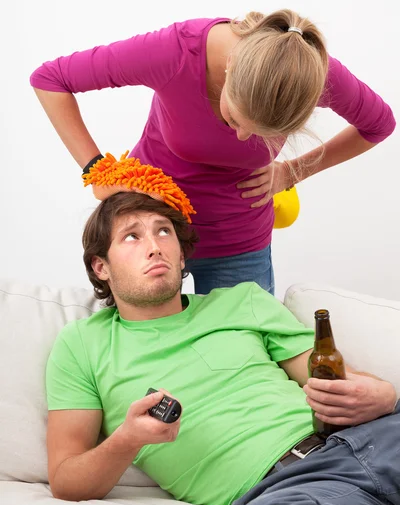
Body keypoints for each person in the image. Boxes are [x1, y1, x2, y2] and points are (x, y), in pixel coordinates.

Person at [46, 173, 400, 505]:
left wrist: (385, 394)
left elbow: (332, 379)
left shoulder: (241, 301)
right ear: (100, 267)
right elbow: (66, 480)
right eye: (132, 237)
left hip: (370, 440)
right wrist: (127, 440)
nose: (155, 245)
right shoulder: (81, 345)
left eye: (164, 231)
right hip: (294, 494)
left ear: (181, 257)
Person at [30, 9, 396, 295]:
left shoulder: (306, 73)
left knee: (240, 357)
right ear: (231, 67)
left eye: (260, 134)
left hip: (237, 239)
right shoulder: (175, 51)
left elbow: (378, 124)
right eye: (235, 118)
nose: (240, 138)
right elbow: (51, 79)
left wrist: (290, 172)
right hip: (150, 225)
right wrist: (99, 172)